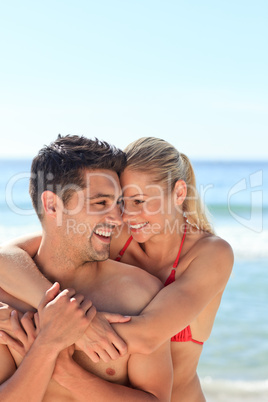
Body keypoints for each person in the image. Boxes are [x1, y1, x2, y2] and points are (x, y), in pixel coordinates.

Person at [0, 137, 233, 402]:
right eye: (121, 202)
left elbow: (146, 337)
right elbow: (13, 255)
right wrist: (51, 304)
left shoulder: (210, 254)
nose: (125, 215)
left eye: (140, 201)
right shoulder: (119, 234)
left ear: (179, 193)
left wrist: (40, 326)